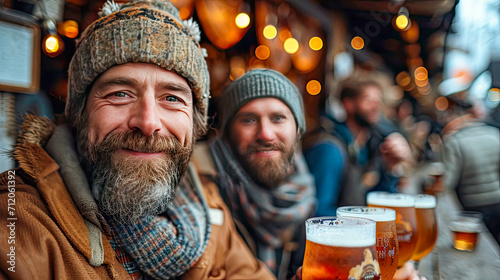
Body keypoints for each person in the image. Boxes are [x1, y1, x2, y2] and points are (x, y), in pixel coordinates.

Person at [0, 1, 275, 279]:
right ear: (80, 114)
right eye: (120, 93)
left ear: (194, 123)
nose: (148, 123)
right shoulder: (20, 225)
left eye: (171, 98)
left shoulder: (209, 206)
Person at [194, 69, 316, 280]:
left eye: (278, 118)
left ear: (297, 130)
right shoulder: (197, 181)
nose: (266, 134)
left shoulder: (301, 189)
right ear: (227, 132)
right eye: (249, 120)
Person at [302, 76, 412, 216]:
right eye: (368, 99)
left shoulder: (368, 145)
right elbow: (319, 212)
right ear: (348, 104)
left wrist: (391, 169)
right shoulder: (330, 149)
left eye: (378, 100)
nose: (376, 106)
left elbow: (373, 203)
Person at [437, 93, 500, 245]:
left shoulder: (454, 141)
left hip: (471, 207)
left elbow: (448, 182)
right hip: (497, 202)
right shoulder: (495, 134)